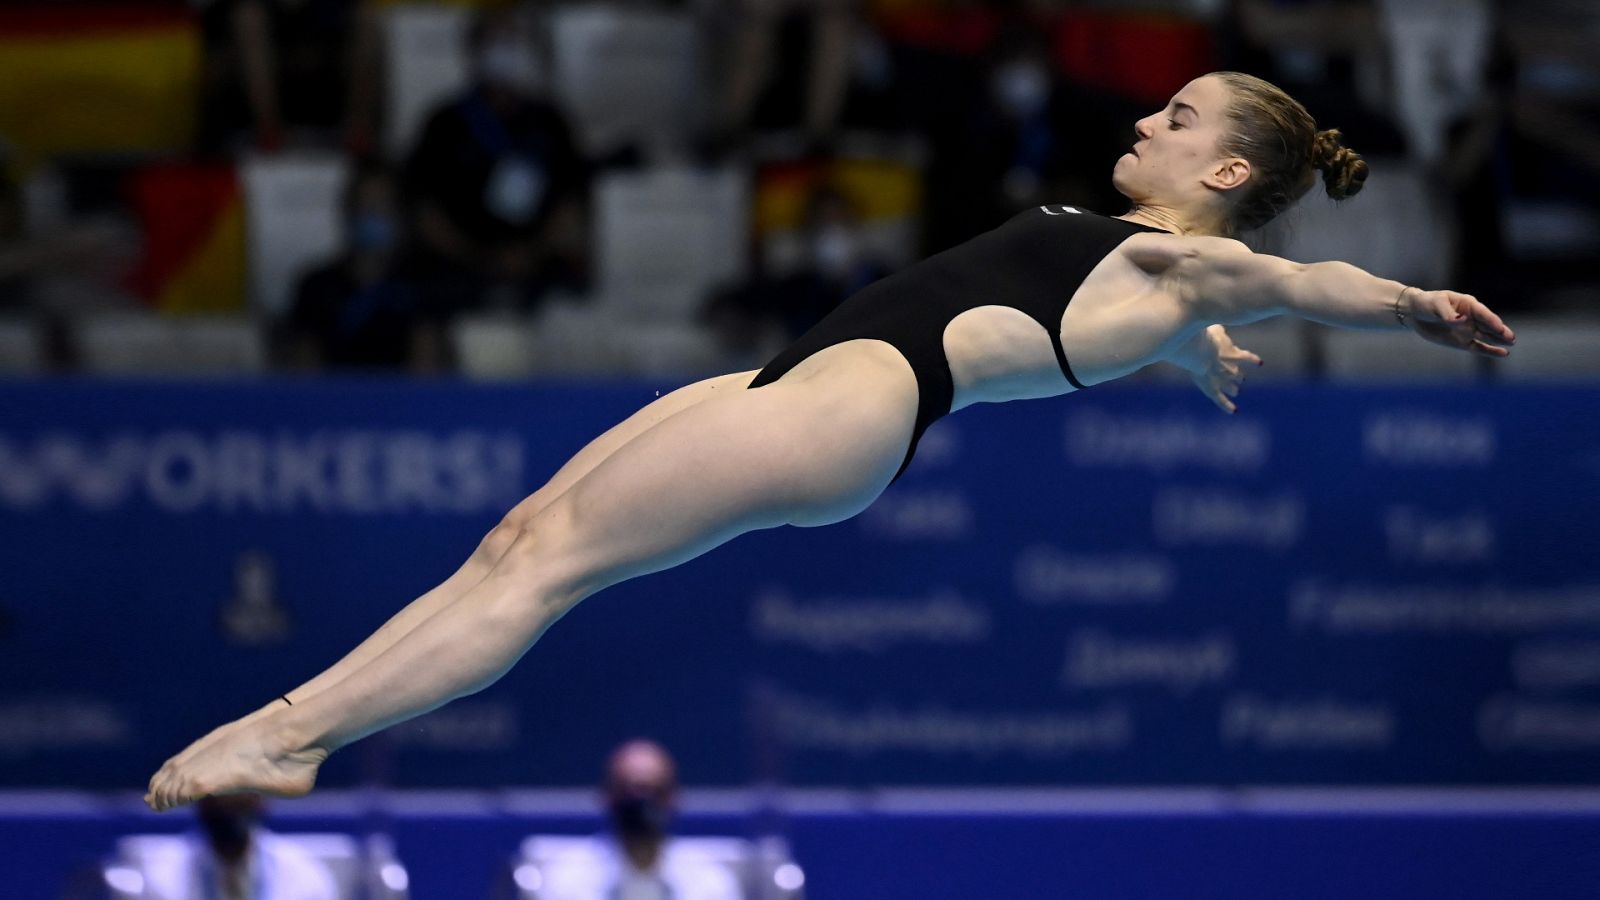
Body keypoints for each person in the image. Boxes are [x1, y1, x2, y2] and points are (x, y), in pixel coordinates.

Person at [144, 71, 1515, 811]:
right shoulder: (1159, 288)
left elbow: (1297, 283)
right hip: (810, 378)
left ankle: (287, 734)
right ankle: (294, 732)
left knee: (546, 573)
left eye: (1177, 119)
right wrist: (1194, 350)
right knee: (521, 542)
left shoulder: (1186, 268)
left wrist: (1408, 305)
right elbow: (1175, 315)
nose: (1146, 121)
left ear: (1224, 174)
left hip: (853, 402)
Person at [536, 739, 744, 900]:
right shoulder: (565, 881)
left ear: (674, 799)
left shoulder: (710, 882)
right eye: (628, 791)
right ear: (607, 797)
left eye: (654, 791)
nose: (641, 803)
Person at [137, 794, 339, 900]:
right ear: (200, 800)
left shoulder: (306, 877)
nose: (230, 801)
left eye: (241, 789)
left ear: (261, 799)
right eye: (220, 791)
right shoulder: (160, 877)